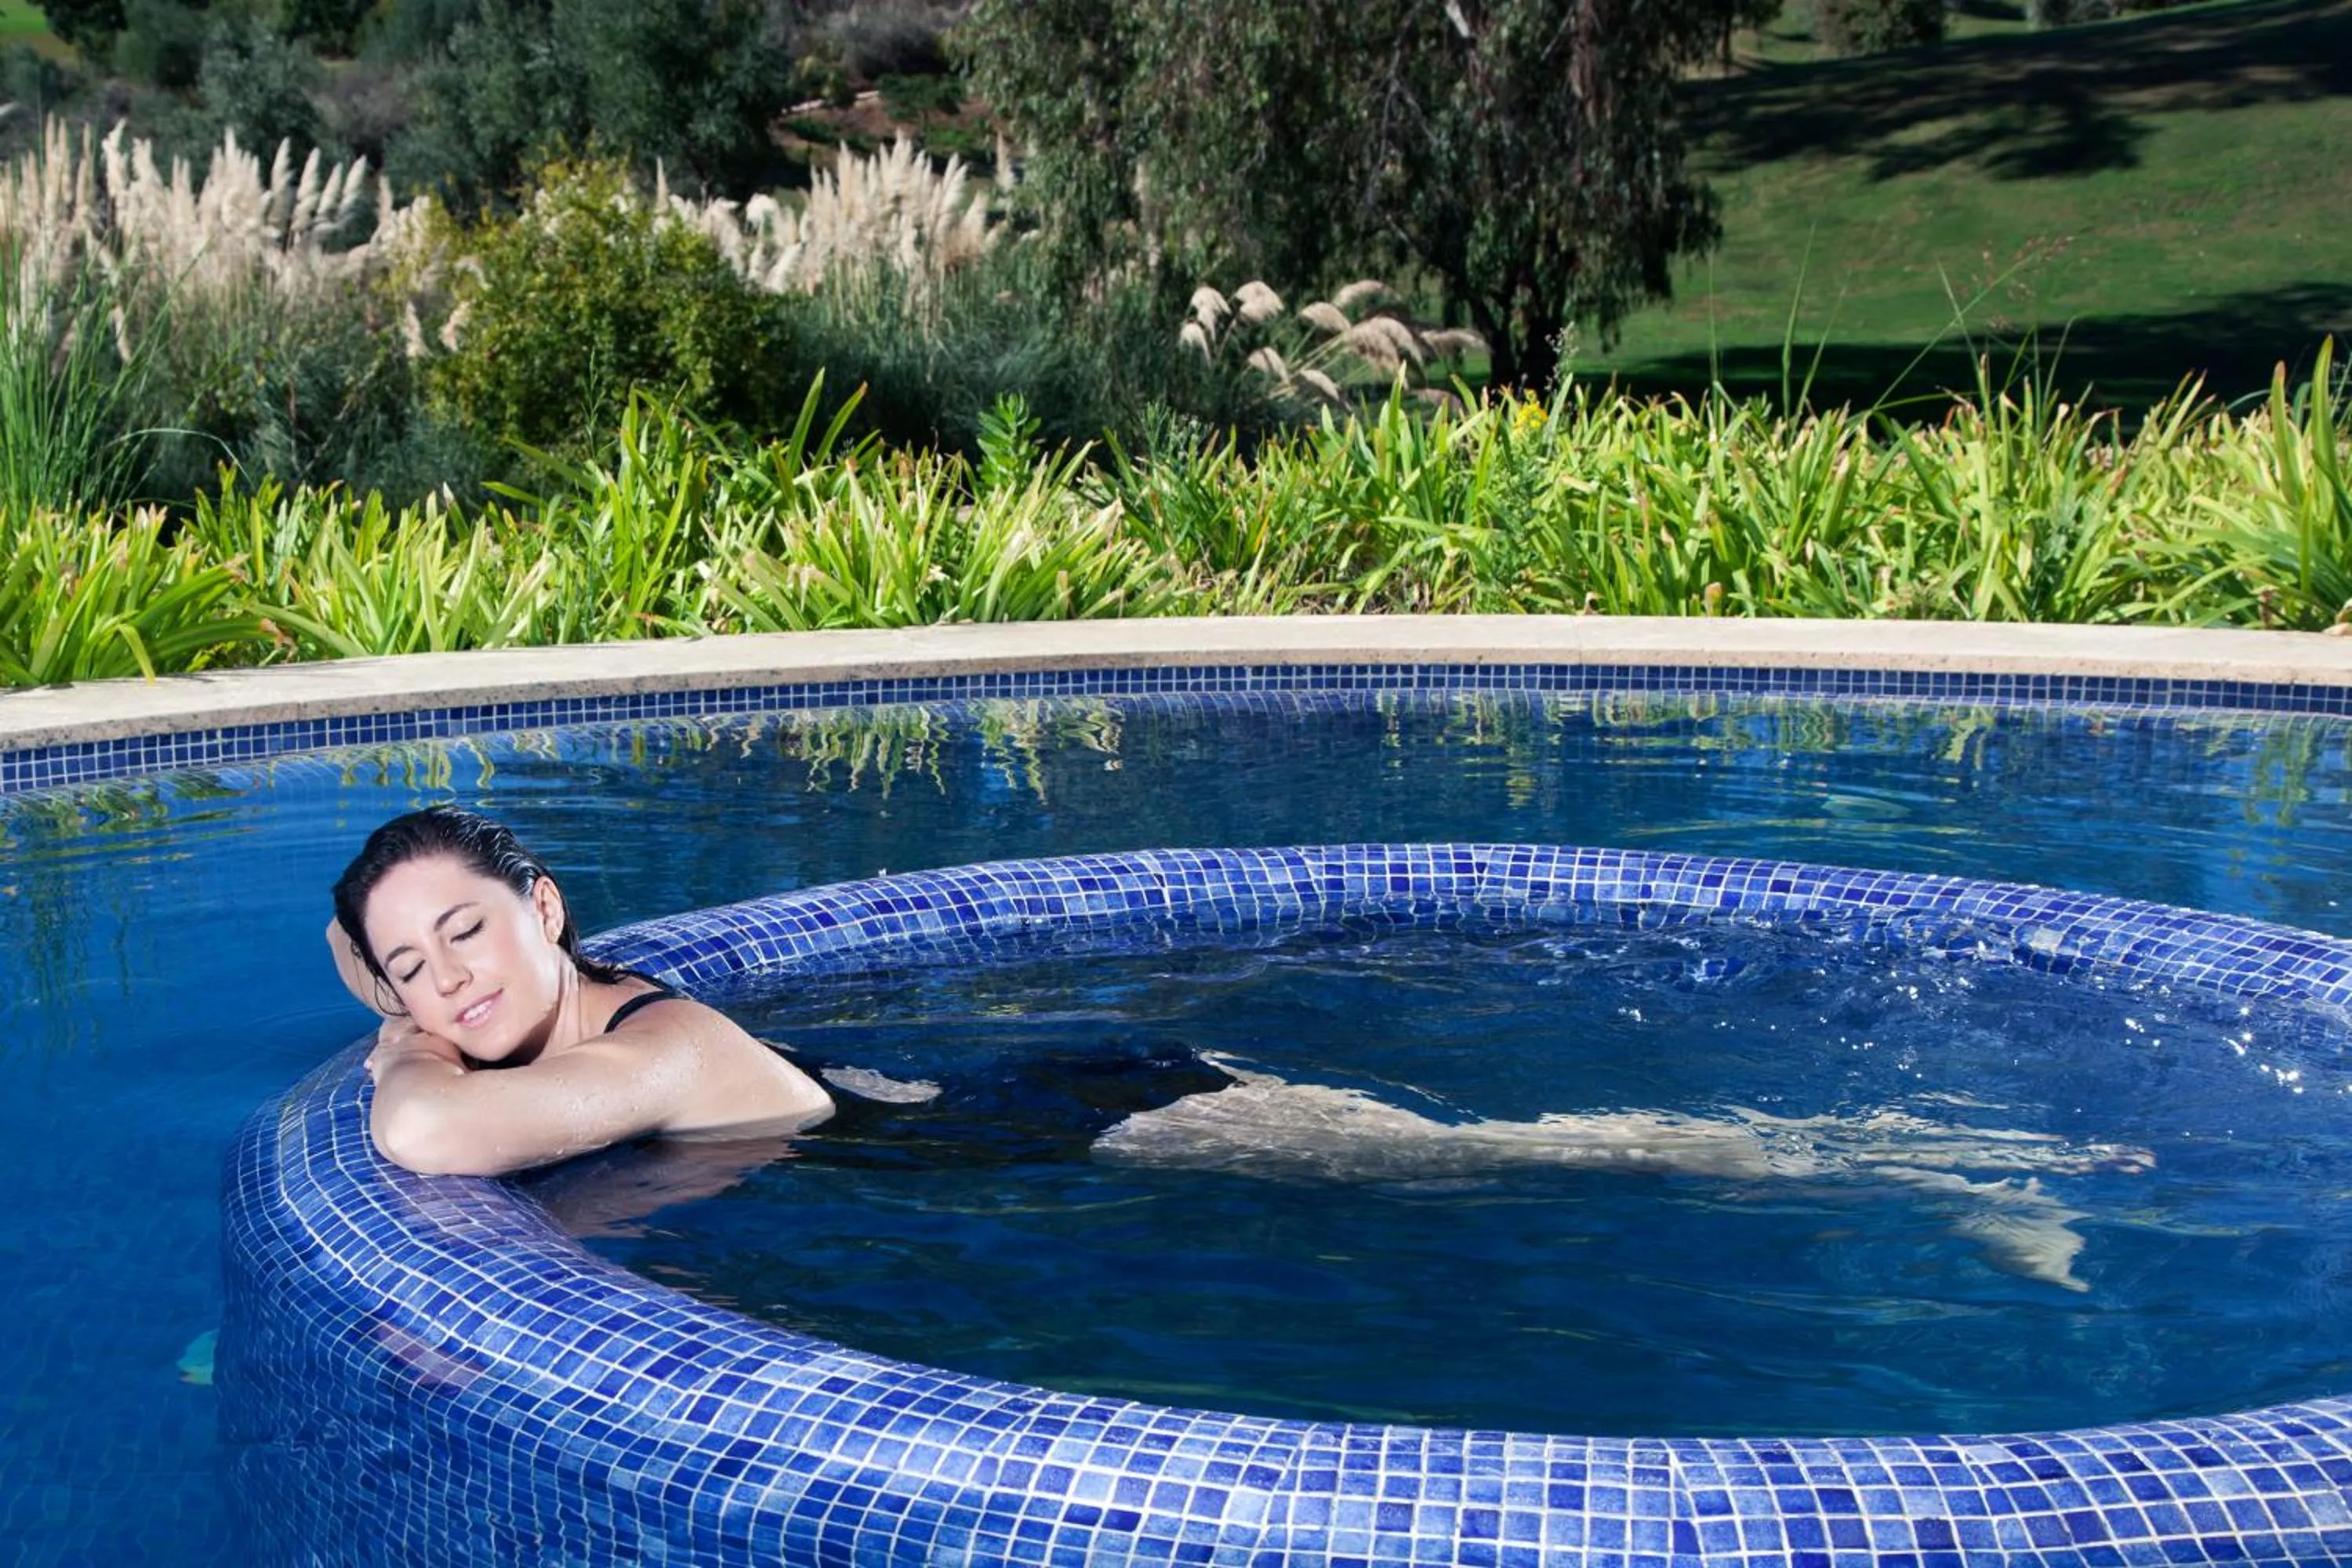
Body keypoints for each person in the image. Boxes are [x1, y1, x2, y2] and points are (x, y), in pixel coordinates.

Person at [328, 806, 834, 1178]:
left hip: (853, 1155)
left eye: (465, 933)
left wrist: (409, 1053)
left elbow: (419, 1127)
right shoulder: (497, 999)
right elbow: (342, 939)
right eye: (411, 967)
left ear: (545, 909)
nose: (446, 979)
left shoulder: (672, 1048)